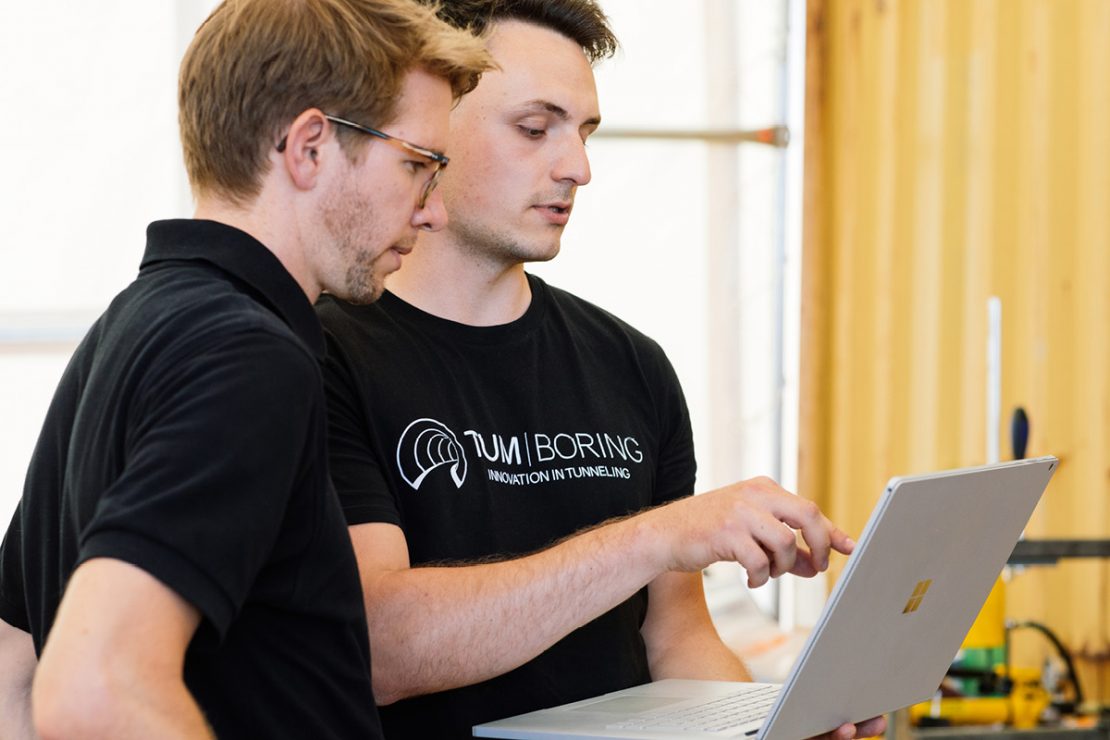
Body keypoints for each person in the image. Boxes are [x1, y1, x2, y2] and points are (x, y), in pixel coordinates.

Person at [316, 1, 886, 738]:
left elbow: (677, 640)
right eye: (534, 129)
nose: (577, 169)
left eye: (583, 133)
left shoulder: (631, 366)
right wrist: (653, 535)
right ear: (432, 121)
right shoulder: (321, 359)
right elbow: (382, 650)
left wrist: (768, 727)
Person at [0, 1, 491, 738]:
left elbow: (16, 671)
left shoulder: (126, 329)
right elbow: (95, 688)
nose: (433, 213)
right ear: (310, 148)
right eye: (418, 165)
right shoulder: (248, 357)